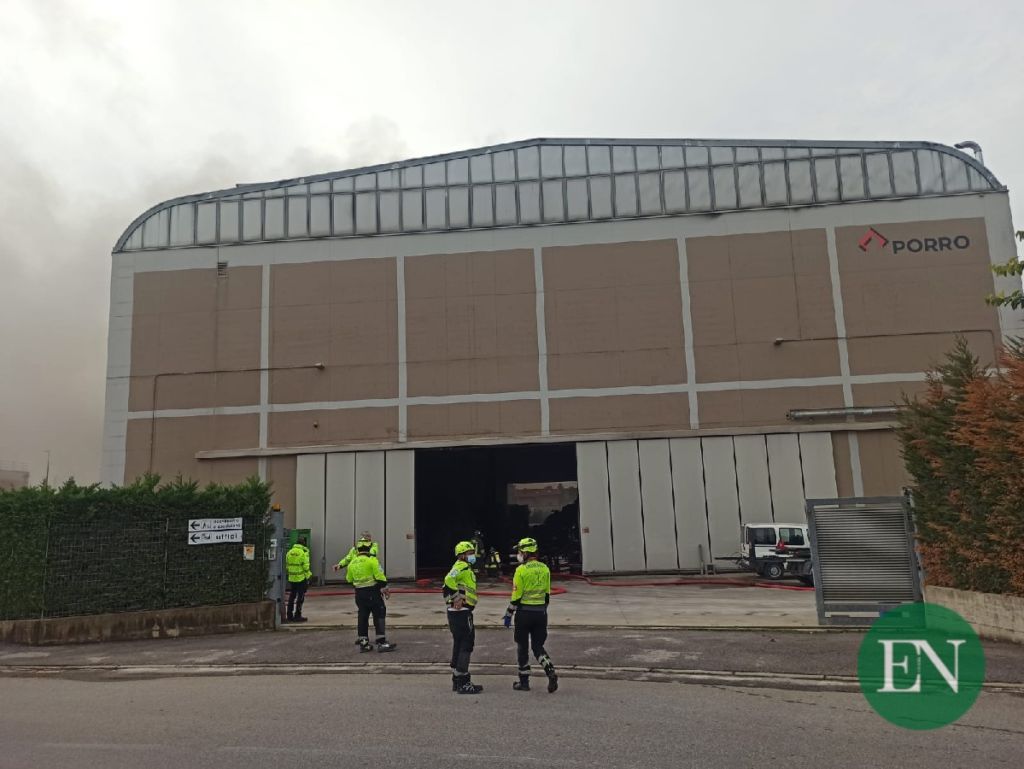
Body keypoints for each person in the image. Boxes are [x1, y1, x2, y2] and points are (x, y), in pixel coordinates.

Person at [503, 537, 558, 693]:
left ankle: (524, 682)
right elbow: (547, 595)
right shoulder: (545, 569)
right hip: (540, 613)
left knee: (522, 647)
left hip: (524, 614)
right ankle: (550, 671)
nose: (519, 554)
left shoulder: (521, 570)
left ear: (526, 553)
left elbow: (516, 597)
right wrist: (542, 610)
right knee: (537, 646)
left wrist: (508, 614)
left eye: (520, 551)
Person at [443, 541, 483, 694]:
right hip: (461, 612)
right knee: (466, 644)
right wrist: (456, 597)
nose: (473, 556)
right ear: (462, 555)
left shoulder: (463, 567)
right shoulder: (461, 567)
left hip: (459, 612)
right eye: (470, 553)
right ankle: (463, 682)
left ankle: (457, 678)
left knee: (459, 643)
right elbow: (448, 580)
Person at [346, 542, 396, 652]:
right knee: (379, 614)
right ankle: (381, 642)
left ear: (358, 551)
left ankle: (364, 643)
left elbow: (349, 579)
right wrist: (384, 588)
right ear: (368, 550)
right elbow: (380, 577)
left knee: (362, 616)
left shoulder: (352, 563)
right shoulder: (372, 560)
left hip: (359, 593)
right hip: (372, 592)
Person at [285, 536, 311, 623]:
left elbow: (287, 565)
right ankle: (297, 615)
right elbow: (306, 567)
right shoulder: (304, 552)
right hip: (301, 578)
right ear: (304, 543)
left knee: (292, 596)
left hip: (292, 578)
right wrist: (308, 576)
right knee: (300, 597)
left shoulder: (290, 552)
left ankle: (289, 615)